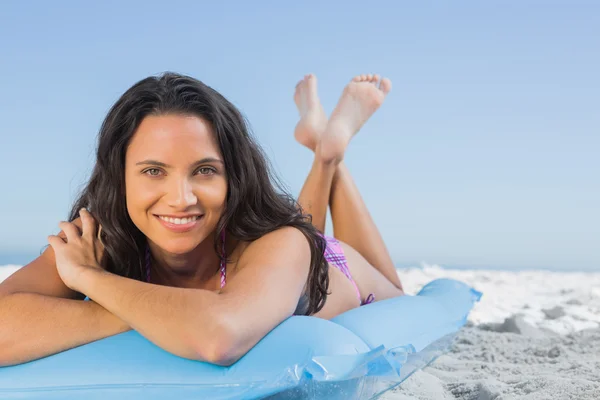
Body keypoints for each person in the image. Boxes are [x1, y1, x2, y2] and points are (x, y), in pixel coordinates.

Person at [0, 72, 404, 368]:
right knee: (300, 227)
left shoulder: (281, 242)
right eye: (153, 171)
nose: (181, 199)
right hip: (282, 267)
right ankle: (323, 147)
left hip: (334, 268)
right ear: (118, 176)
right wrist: (136, 312)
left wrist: (92, 281)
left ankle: (330, 155)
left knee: (379, 281)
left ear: (234, 175)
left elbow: (219, 335)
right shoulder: (99, 239)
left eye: (205, 170)